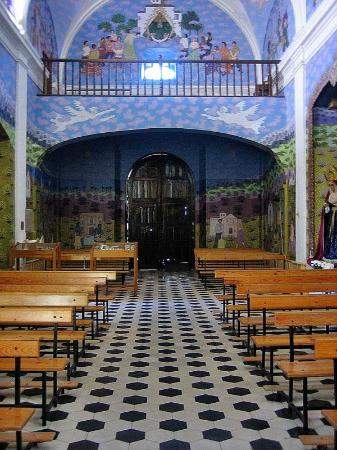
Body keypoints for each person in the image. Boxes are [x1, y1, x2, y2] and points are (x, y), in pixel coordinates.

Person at [312, 178, 337, 260]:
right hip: (331, 217)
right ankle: (329, 253)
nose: (331, 187)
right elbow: (327, 209)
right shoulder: (330, 194)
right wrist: (326, 207)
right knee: (330, 234)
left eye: (332, 185)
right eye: (329, 185)